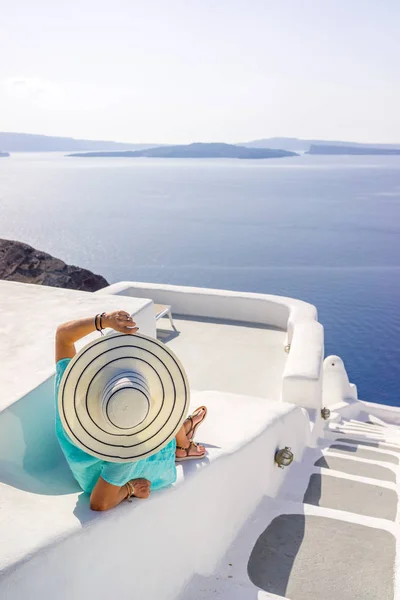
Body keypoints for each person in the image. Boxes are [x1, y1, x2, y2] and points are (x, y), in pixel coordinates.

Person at [55, 310, 207, 511]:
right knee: (165, 403)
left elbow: (63, 336)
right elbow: (99, 503)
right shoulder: (125, 453)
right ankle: (182, 445)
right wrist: (130, 488)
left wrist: (104, 320)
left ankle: (180, 438)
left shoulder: (72, 392)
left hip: (92, 451)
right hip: (112, 471)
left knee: (161, 406)